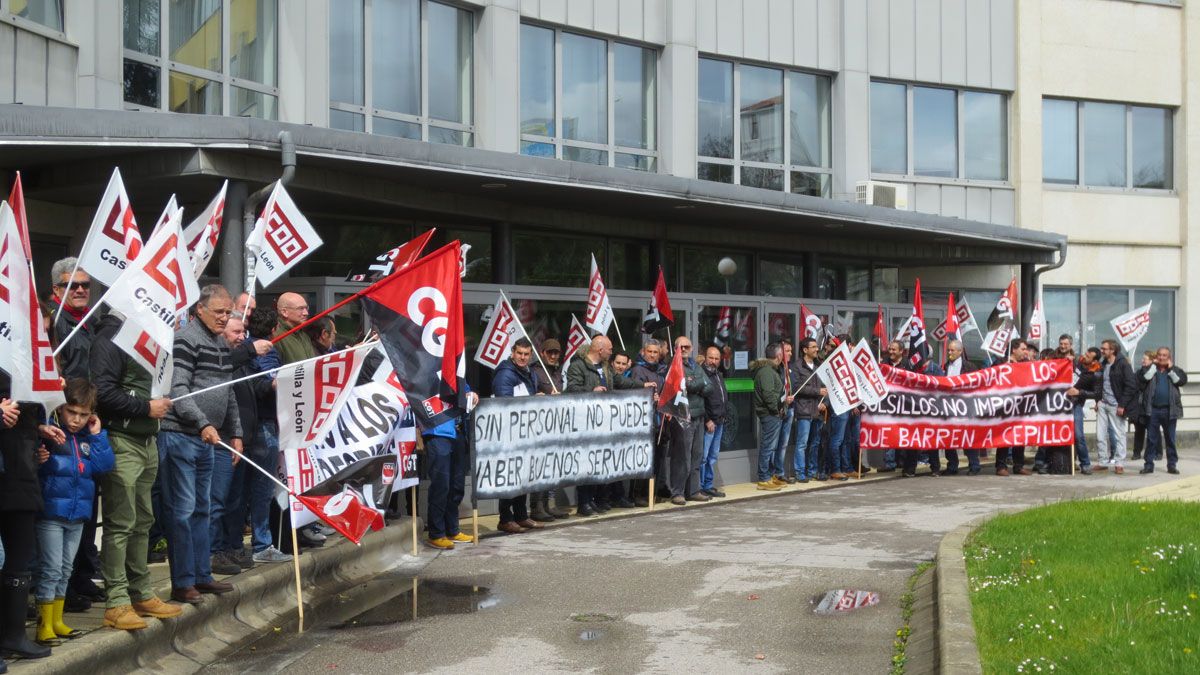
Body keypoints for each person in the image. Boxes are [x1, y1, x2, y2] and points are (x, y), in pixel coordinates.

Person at [89, 314, 181, 630]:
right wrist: (146, 408)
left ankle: (140, 592)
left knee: (143, 520)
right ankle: (116, 601)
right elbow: (101, 391)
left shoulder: (151, 337)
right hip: (122, 439)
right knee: (121, 523)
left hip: (146, 439)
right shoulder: (112, 336)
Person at [158, 285, 242, 604]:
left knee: (202, 509)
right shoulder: (185, 339)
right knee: (182, 510)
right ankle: (183, 581)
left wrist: (236, 432)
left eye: (228, 312)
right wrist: (203, 422)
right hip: (181, 434)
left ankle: (201, 574)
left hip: (208, 437)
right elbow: (178, 390)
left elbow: (229, 390)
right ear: (200, 310)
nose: (224, 318)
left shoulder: (220, 343)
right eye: (219, 312)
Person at [33, 379, 114, 644]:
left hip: (77, 514)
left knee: (66, 568)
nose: (77, 420)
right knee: (51, 569)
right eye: (72, 412)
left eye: (83, 414)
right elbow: (36, 463)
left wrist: (98, 434)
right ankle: (43, 624)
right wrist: (39, 457)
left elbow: (103, 466)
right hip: (51, 513)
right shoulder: (50, 433)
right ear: (61, 408)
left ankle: (57, 620)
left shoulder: (88, 438)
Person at [0, 374, 53, 659]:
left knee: (21, 556)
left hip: (20, 471)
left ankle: (14, 636)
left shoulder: (21, 364)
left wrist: (40, 431)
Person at [564, 336, 646, 514]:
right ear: (600, 350)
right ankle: (584, 502)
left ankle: (594, 499)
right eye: (609, 349)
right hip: (585, 422)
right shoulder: (578, 366)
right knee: (586, 462)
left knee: (597, 462)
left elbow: (621, 381)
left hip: (602, 423)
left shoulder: (606, 367)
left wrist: (643, 385)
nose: (611, 352)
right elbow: (572, 388)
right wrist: (591, 390)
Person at [244, 308, 293, 563]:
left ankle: (240, 544)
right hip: (263, 424)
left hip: (251, 425)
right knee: (262, 487)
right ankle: (262, 544)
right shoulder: (266, 351)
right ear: (274, 329)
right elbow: (268, 384)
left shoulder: (245, 348)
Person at [491, 338, 545, 534]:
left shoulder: (529, 372)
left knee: (523, 474)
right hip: (509, 434)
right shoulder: (505, 374)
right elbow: (505, 404)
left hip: (525, 433)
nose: (523, 357)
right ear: (512, 353)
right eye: (519, 353)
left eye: (526, 354)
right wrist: (532, 400)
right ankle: (505, 518)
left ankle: (521, 515)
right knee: (510, 475)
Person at [423, 389, 479, 550]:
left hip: (458, 432)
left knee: (457, 485)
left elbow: (466, 390)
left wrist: (472, 394)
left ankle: (452, 530)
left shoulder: (457, 374)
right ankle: (436, 533)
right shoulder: (429, 374)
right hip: (437, 432)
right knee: (441, 485)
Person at [665, 336, 713, 506]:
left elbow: (710, 386)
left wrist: (695, 384)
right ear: (675, 349)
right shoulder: (674, 367)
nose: (684, 349)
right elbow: (684, 386)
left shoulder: (696, 366)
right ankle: (677, 492)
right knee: (682, 456)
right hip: (682, 417)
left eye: (687, 346)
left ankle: (693, 490)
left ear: (692, 348)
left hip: (699, 415)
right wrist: (697, 384)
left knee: (697, 455)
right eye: (681, 347)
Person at [528, 338, 568, 521]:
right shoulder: (534, 371)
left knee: (552, 465)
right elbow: (529, 394)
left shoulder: (557, 372)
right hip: (539, 427)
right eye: (549, 352)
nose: (553, 356)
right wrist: (541, 397)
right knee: (540, 466)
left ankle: (550, 504)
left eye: (556, 353)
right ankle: (537, 506)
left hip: (555, 425)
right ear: (542, 353)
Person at [630, 339, 668, 505]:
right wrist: (648, 396)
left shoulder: (661, 370)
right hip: (643, 422)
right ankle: (637, 495)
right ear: (643, 352)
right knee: (642, 459)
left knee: (656, 460)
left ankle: (651, 493)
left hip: (659, 422)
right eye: (650, 351)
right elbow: (634, 392)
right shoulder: (638, 369)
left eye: (655, 352)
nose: (652, 355)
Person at [1138, 347, 1186, 475]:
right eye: (1159, 355)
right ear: (1156, 357)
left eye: (1164, 355)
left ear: (1169, 357)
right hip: (1152, 410)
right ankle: (1148, 465)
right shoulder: (1149, 369)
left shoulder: (1176, 370)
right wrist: (1153, 367)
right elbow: (1142, 379)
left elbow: (1181, 381)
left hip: (1169, 410)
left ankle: (1172, 465)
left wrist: (1171, 370)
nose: (1161, 357)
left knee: (1170, 439)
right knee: (1151, 439)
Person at [751, 342, 789, 491]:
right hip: (770, 414)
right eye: (783, 354)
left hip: (772, 413)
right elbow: (768, 394)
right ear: (779, 356)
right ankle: (763, 478)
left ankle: (770, 475)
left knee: (771, 447)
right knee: (768, 447)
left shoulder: (770, 370)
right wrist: (776, 410)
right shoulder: (766, 371)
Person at [1095, 339, 1136, 474]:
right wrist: (1097, 401)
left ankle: (1119, 463)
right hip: (1103, 404)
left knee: (1119, 435)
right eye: (1101, 348)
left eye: (1104, 349)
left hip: (1116, 405)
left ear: (1112, 350)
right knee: (1100, 434)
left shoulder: (1123, 364)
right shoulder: (1103, 364)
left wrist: (1122, 404)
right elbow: (1099, 384)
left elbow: (1131, 385)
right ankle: (1103, 461)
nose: (1101, 351)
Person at [995, 338, 1033, 477]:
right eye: (1023, 349)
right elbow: (990, 376)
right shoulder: (1001, 362)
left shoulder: (1026, 364)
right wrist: (1003, 368)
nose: (1025, 352)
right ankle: (1001, 466)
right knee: (1004, 436)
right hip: (1005, 405)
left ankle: (1018, 466)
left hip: (1021, 405)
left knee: (1020, 435)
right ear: (1014, 349)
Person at [790, 338, 825, 483]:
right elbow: (797, 387)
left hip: (817, 411)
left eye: (817, 346)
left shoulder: (819, 366)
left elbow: (825, 387)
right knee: (802, 444)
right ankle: (800, 473)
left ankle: (812, 471)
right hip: (804, 410)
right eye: (813, 347)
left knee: (815, 443)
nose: (817, 349)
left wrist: (824, 403)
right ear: (805, 350)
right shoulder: (797, 366)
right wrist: (817, 391)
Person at [943, 340, 981, 475]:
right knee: (949, 437)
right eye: (948, 350)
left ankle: (974, 465)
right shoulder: (945, 366)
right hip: (949, 407)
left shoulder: (970, 367)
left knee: (967, 437)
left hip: (965, 407)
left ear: (960, 351)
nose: (949, 352)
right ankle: (952, 466)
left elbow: (978, 385)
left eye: (952, 350)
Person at [1066, 347, 1100, 475]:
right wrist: (1067, 361)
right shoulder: (1077, 362)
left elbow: (1096, 393)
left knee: (1078, 435)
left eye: (1088, 356)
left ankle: (1085, 463)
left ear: (1094, 361)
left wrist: (1079, 392)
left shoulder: (1096, 374)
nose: (1084, 356)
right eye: (1085, 354)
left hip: (1076, 404)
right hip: (1059, 403)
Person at [699, 346, 728, 498]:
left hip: (719, 420)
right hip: (709, 422)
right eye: (711, 357)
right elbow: (700, 401)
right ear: (705, 357)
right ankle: (700, 487)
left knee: (713, 456)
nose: (713, 361)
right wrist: (707, 419)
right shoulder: (701, 374)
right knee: (703, 457)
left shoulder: (718, 374)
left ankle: (708, 485)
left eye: (717, 358)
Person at [773, 340, 795, 484]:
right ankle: (771, 473)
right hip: (778, 409)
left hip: (790, 408)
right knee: (774, 444)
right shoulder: (775, 368)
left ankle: (780, 472)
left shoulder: (790, 368)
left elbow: (794, 385)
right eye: (787, 351)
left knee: (783, 443)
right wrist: (783, 400)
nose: (790, 354)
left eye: (791, 351)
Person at [274, 292, 315, 364]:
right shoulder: (275, 336)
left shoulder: (303, 335)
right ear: (284, 312)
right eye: (300, 308)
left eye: (306, 308)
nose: (306, 313)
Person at [1130, 349, 1154, 461]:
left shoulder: (1155, 372)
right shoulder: (1139, 372)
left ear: (1151, 360)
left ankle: (1156, 452)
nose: (1142, 360)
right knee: (1139, 430)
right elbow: (1136, 384)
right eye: (1142, 358)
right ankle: (1136, 452)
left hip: (1150, 405)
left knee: (1152, 431)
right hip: (1139, 406)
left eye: (1145, 359)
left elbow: (1144, 383)